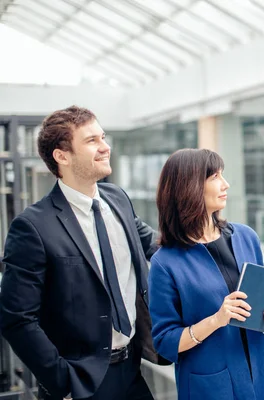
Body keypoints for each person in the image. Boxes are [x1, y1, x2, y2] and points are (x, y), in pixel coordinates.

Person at [0, 106, 166, 400]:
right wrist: (61, 380)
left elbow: (158, 245)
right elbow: (17, 319)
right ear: (61, 156)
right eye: (92, 141)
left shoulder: (118, 199)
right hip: (80, 383)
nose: (105, 147)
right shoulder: (33, 227)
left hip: (132, 369)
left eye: (103, 137)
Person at [149, 148, 264, 400]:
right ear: (188, 186)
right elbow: (165, 342)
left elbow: (258, 306)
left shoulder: (246, 236)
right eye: (214, 177)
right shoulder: (165, 262)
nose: (226, 184)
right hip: (211, 386)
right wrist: (216, 319)